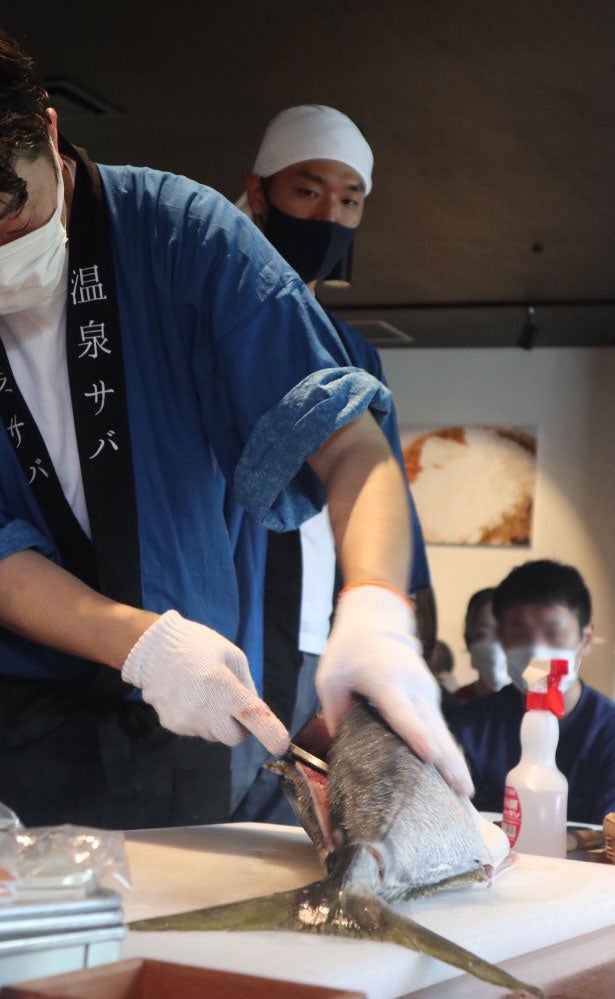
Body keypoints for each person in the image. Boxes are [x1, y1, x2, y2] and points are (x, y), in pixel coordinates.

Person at [0, 12, 470, 829]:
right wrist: (140, 643)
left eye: (14, 218)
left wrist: (379, 608)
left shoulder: (182, 235)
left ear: (49, 129)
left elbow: (348, 441)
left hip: (175, 727)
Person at [228, 106, 432, 822]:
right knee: (214, 815)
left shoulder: (353, 349)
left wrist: (401, 614)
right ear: (258, 193)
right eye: (306, 191)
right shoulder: (214, 320)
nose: (328, 214)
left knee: (301, 830)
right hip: (233, 615)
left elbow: (386, 489)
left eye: (348, 199)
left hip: (326, 628)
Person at [450, 560, 615, 825]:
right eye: (519, 632)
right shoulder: (470, 729)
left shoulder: (607, 733)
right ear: (501, 638)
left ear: (585, 639)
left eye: (552, 632)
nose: (537, 647)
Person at [455, 587, 510, 704]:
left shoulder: (538, 714)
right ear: (469, 642)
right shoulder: (454, 709)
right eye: (483, 634)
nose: (496, 645)